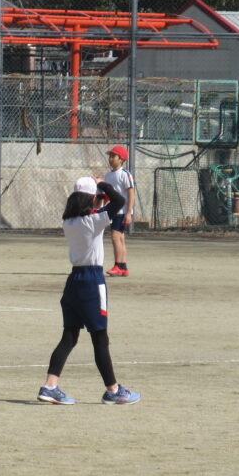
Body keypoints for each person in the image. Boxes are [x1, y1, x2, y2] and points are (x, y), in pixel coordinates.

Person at [37, 175, 141, 406]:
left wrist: (97, 195)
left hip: (73, 281)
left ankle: (50, 386)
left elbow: (101, 209)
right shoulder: (94, 221)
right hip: (92, 281)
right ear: (91, 199)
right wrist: (102, 184)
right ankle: (113, 390)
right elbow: (118, 201)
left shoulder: (69, 221)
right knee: (100, 338)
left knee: (69, 336)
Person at [104, 144, 135, 277]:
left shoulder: (125, 174)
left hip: (122, 212)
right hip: (113, 211)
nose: (110, 159)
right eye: (110, 156)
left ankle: (117, 266)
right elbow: (107, 195)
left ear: (121, 159)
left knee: (115, 237)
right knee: (120, 238)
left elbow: (131, 194)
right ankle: (123, 267)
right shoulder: (108, 175)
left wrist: (129, 212)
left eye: (113, 156)